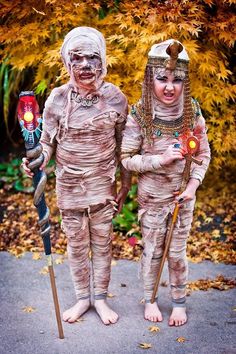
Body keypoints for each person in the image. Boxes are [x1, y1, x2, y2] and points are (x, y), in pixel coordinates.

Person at [22, 26, 131, 325]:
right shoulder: (57, 99)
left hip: (102, 184)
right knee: (76, 244)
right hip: (69, 185)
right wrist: (35, 160)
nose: (85, 65)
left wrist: (125, 183)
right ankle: (83, 298)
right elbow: (46, 144)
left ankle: (100, 298)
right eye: (77, 58)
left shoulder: (115, 98)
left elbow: (126, 145)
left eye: (92, 58)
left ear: (103, 61)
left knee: (103, 241)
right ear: (67, 63)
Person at [121, 39, 210, 326]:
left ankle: (179, 303)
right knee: (153, 251)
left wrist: (192, 187)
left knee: (177, 252)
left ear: (185, 81)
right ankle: (150, 299)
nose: (169, 87)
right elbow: (126, 158)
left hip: (182, 196)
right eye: (162, 79)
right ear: (150, 78)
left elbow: (204, 153)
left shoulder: (192, 112)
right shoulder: (140, 114)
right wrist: (159, 159)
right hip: (152, 198)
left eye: (177, 80)